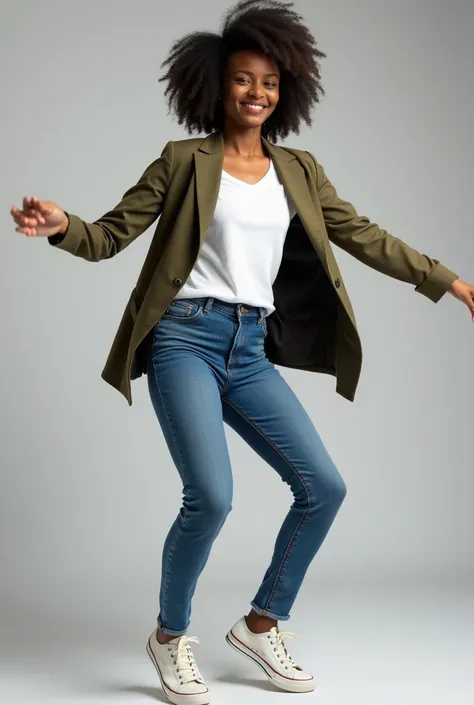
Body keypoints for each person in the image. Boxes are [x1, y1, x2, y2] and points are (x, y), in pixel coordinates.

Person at [10, 1, 474, 703]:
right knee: (213, 497)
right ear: (214, 86)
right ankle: (170, 637)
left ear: (286, 93)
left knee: (325, 488)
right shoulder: (182, 161)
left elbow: (364, 234)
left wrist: (449, 280)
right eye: (242, 80)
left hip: (249, 347)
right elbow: (108, 236)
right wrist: (60, 225)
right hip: (183, 339)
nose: (257, 93)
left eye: (271, 83)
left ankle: (262, 622)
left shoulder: (300, 171)